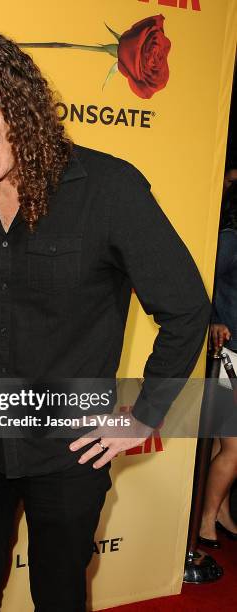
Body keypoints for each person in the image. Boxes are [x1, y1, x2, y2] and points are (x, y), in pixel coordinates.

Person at [0, 29, 210, 611]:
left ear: (22, 101)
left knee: (59, 595)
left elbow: (186, 308)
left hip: (70, 445)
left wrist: (145, 415)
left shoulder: (109, 189)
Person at [199, 175, 237, 548]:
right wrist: (213, 320)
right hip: (229, 356)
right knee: (235, 447)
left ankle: (217, 511)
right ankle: (206, 521)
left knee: (224, 445)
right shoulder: (230, 240)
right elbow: (201, 284)